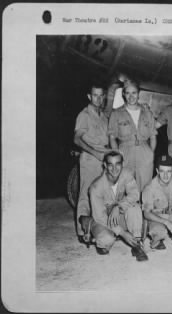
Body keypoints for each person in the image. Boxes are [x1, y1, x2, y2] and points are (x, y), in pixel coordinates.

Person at [79, 150, 148, 261]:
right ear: (105, 165)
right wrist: (122, 233)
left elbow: (134, 194)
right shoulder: (96, 187)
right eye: (110, 165)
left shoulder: (126, 174)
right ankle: (94, 232)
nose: (114, 169)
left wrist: (119, 206)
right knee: (107, 240)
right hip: (102, 220)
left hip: (117, 215)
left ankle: (136, 244)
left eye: (118, 164)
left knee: (134, 207)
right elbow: (100, 217)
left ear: (122, 164)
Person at [74, 83, 111, 243]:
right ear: (89, 96)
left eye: (101, 95)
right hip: (90, 158)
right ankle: (82, 232)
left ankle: (96, 229)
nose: (98, 98)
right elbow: (76, 139)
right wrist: (95, 152)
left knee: (98, 195)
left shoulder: (103, 116)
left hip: (102, 159)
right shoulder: (84, 115)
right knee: (85, 194)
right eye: (95, 95)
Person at [108, 81, 157, 192]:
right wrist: (117, 155)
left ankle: (143, 209)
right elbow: (112, 137)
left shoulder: (147, 112)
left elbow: (153, 136)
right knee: (124, 188)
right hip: (125, 152)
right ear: (123, 94)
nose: (131, 96)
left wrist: (151, 154)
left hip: (144, 152)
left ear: (138, 94)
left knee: (146, 190)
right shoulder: (116, 113)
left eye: (134, 93)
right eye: (128, 93)